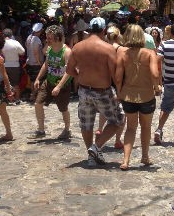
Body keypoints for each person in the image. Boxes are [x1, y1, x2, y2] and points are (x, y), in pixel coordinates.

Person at [65, 17, 125, 167]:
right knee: (118, 119)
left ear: (89, 29)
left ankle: (91, 155)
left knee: (86, 124)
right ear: (103, 30)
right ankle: (96, 147)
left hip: (84, 90)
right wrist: (120, 92)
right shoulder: (108, 48)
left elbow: (69, 70)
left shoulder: (78, 47)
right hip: (102, 91)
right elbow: (115, 75)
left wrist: (81, 76)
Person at [115, 24, 160, 170]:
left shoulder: (122, 53)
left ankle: (126, 161)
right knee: (146, 127)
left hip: (128, 96)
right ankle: (145, 156)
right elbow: (154, 74)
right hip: (146, 95)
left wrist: (119, 92)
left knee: (130, 128)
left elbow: (118, 77)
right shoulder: (149, 53)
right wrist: (157, 86)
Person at [32, 25, 73, 139]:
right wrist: (38, 79)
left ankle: (67, 129)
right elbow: (46, 64)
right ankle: (41, 130)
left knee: (63, 109)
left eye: (49, 38)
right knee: (38, 103)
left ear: (58, 38)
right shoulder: (49, 49)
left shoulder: (67, 52)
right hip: (49, 82)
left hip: (62, 86)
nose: (47, 40)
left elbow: (69, 71)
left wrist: (59, 87)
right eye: (47, 37)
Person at [1, 28, 25, 103]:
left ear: (3, 35)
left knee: (6, 83)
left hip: (4, 65)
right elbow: (23, 52)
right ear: (11, 35)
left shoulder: (1, 43)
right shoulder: (15, 42)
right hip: (15, 65)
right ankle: (17, 99)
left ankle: (8, 99)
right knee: (15, 84)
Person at [25, 23, 45, 102]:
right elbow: (36, 52)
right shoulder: (36, 39)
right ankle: (33, 95)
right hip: (36, 63)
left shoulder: (29, 37)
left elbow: (27, 46)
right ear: (39, 30)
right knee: (37, 80)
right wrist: (39, 61)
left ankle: (32, 94)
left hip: (29, 61)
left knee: (33, 79)